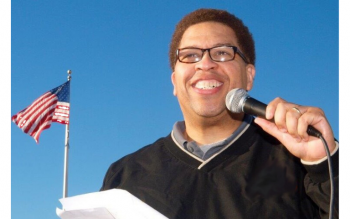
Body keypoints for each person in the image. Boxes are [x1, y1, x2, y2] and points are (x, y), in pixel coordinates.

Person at [100, 8, 338, 219]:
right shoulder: (124, 176)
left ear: (249, 76)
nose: (205, 64)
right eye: (190, 55)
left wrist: (324, 165)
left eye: (223, 53)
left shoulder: (300, 162)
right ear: (174, 81)